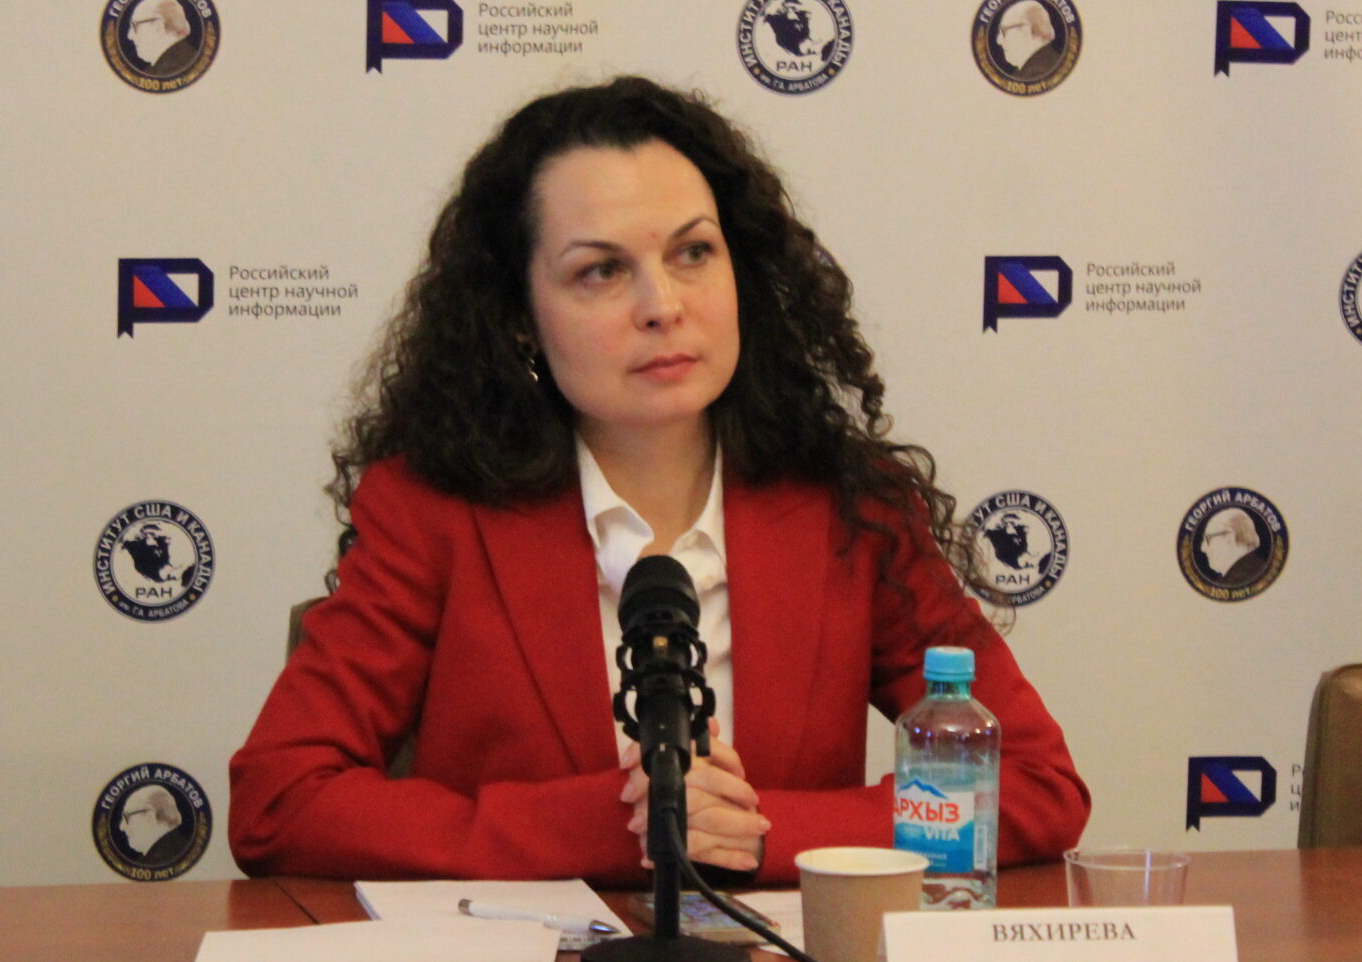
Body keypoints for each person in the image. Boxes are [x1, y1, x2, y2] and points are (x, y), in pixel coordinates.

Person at [229, 76, 1090, 883]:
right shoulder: (432, 512)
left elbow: (1035, 783)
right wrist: (610, 824)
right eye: (601, 270)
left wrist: (763, 832)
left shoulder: (853, 509)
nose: (663, 305)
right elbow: (281, 798)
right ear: (520, 319)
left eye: (693, 253)